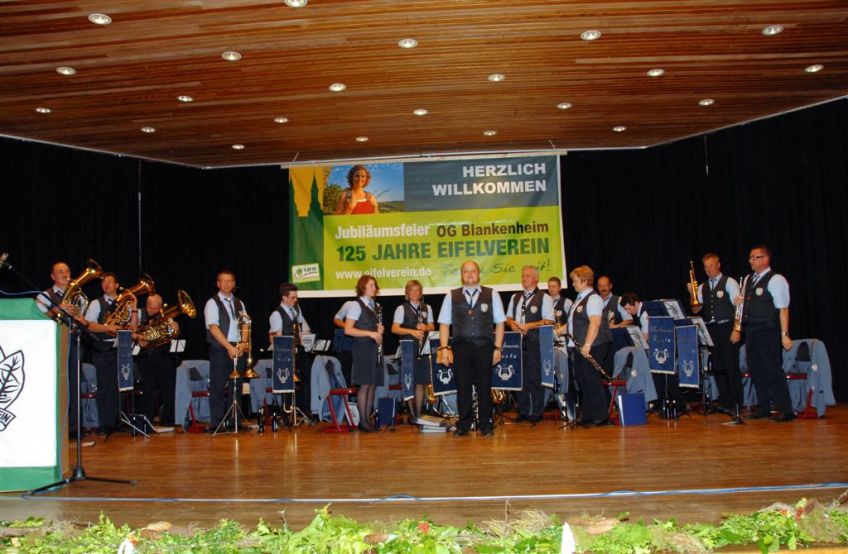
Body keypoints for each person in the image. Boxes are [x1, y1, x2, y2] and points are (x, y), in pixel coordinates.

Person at [437, 260, 505, 437]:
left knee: (484, 386)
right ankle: (464, 424)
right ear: (461, 275)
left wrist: (497, 348)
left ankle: (486, 424)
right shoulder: (451, 296)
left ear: (478, 273)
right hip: (461, 348)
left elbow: (500, 323)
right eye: (466, 271)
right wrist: (444, 348)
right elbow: (444, 324)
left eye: (473, 271)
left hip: (484, 347)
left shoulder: (492, 294)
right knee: (463, 387)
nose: (469, 274)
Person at [731, 245, 794, 422]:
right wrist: (738, 306)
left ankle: (785, 409)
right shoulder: (748, 279)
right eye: (750, 257)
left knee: (772, 368)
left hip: (769, 330)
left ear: (765, 259)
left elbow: (783, 309)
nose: (751, 261)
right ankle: (763, 407)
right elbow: (742, 305)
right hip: (751, 330)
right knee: (756, 369)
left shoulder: (776, 279)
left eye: (755, 257)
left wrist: (784, 334)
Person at [36, 261, 90, 438]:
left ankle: (74, 427)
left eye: (67, 271)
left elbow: (84, 322)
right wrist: (56, 310)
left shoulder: (79, 297)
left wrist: (80, 320)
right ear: (52, 276)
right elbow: (38, 319)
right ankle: (56, 427)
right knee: (56, 385)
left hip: (73, 343)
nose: (65, 274)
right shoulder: (45, 296)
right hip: (52, 345)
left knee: (74, 385)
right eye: (60, 272)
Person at [690, 253, 743, 421]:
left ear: (718, 265)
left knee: (731, 365)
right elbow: (695, 309)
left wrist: (737, 329)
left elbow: (738, 307)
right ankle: (725, 401)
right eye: (706, 267)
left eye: (711, 266)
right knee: (718, 366)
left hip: (727, 326)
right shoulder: (703, 287)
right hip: (711, 329)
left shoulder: (729, 282)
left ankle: (736, 403)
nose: (708, 270)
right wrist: (692, 293)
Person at [84, 272, 136, 435]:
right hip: (104, 348)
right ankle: (105, 424)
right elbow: (89, 325)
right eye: (103, 282)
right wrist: (108, 327)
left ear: (117, 285)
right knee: (105, 388)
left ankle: (117, 421)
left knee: (121, 387)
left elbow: (134, 327)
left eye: (109, 282)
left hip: (122, 349)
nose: (105, 284)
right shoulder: (95, 303)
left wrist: (134, 309)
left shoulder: (125, 304)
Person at [621, 291, 686, 414]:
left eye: (629, 308)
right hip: (662, 346)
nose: (628, 312)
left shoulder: (645, 313)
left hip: (665, 347)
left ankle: (679, 403)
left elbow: (646, 336)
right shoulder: (644, 310)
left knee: (667, 376)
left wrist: (637, 344)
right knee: (658, 376)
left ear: (636, 303)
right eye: (626, 310)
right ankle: (661, 401)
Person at [506, 266, 554, 423]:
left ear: (536, 278)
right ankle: (523, 410)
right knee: (520, 379)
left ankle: (537, 411)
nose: (524, 278)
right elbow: (508, 317)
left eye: (527, 275)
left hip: (535, 342)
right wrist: (512, 324)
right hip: (517, 343)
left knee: (535, 378)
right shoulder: (515, 297)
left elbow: (549, 321)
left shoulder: (544, 297)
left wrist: (529, 326)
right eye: (522, 275)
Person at [567, 266, 613, 426]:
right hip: (580, 346)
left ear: (585, 281)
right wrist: (558, 330)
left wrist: (587, 345)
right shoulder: (579, 299)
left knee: (591, 378)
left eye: (575, 281)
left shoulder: (593, 299)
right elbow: (574, 323)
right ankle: (588, 415)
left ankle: (601, 416)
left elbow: (595, 323)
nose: (573, 284)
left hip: (594, 345)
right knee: (582, 379)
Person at [204, 270, 248, 431]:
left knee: (236, 385)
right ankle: (216, 423)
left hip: (238, 347)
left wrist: (243, 343)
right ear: (218, 284)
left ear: (234, 284)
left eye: (230, 281)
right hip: (221, 349)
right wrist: (229, 347)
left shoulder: (239, 303)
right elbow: (213, 328)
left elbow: (245, 324)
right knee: (217, 385)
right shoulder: (212, 303)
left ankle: (235, 421)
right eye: (224, 281)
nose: (227, 284)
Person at [344, 275, 384, 432]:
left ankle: (368, 419)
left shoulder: (374, 305)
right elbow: (348, 329)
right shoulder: (356, 305)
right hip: (363, 348)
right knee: (365, 384)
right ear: (363, 287)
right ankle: (363, 421)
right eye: (371, 285)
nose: (374, 288)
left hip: (374, 348)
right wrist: (370, 333)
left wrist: (378, 330)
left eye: (375, 285)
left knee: (372, 384)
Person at [391, 280, 435, 421]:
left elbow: (432, 326)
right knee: (409, 380)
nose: (415, 293)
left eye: (417, 290)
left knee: (421, 381)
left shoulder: (427, 307)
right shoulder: (401, 308)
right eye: (412, 290)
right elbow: (394, 328)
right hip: (408, 347)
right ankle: (412, 414)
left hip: (423, 347)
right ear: (407, 293)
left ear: (421, 293)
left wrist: (426, 328)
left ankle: (419, 413)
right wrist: (412, 331)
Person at [268, 283, 313, 415]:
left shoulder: (296, 309)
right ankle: (286, 412)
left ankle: (305, 410)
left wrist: (306, 338)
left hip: (299, 350)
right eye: (293, 297)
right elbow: (275, 337)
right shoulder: (276, 314)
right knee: (286, 381)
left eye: (296, 297)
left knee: (307, 376)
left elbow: (303, 328)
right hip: (285, 352)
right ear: (284, 298)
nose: (295, 299)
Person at [135, 294, 178, 426]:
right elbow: (131, 330)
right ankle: (147, 420)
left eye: (156, 308)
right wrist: (140, 337)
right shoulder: (139, 313)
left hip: (162, 355)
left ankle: (168, 418)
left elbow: (173, 334)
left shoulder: (165, 316)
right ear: (146, 305)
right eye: (150, 308)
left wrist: (175, 327)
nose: (153, 311)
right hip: (145, 356)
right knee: (148, 388)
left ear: (160, 307)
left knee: (169, 387)